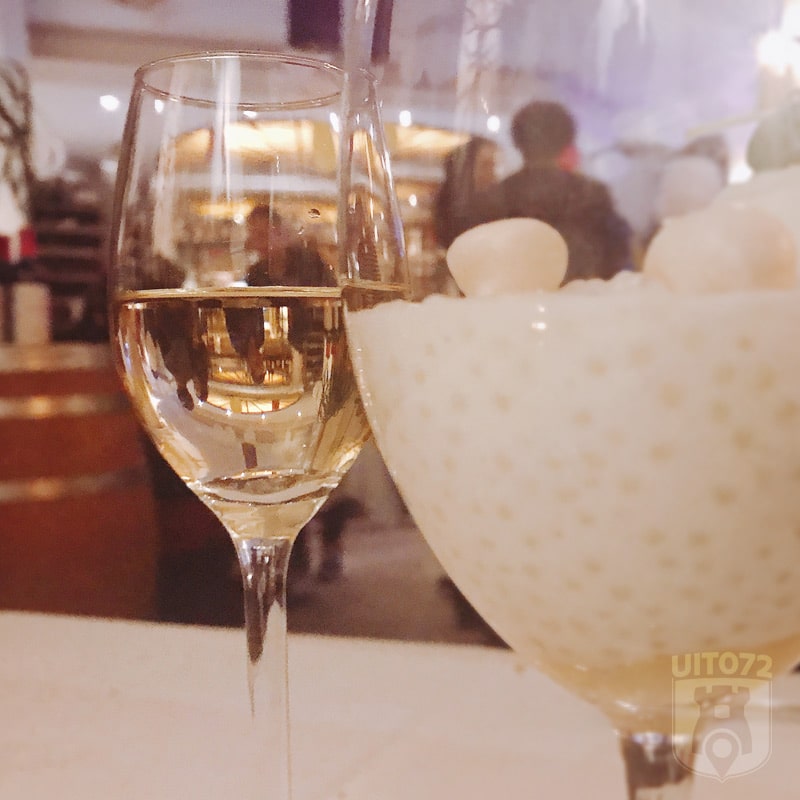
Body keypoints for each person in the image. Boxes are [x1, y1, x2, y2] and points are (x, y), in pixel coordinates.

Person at [469, 100, 632, 283]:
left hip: (511, 297)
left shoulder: (496, 197)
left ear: (517, 141)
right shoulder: (592, 194)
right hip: (580, 297)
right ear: (567, 141)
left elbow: (479, 264)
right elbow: (617, 263)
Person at [434, 135, 500, 249]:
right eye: (485, 165)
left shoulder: (496, 202)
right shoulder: (450, 204)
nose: (492, 173)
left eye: (493, 165)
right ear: (468, 169)